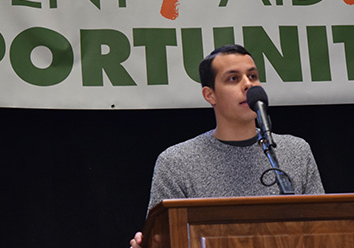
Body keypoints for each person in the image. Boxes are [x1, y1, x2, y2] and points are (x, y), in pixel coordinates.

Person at [129, 44, 324, 248]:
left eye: (253, 76)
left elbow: (327, 230)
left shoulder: (297, 152)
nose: (248, 85)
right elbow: (161, 239)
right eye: (233, 78)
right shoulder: (177, 162)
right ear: (209, 95)